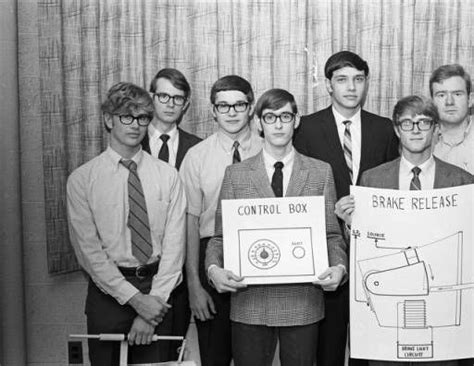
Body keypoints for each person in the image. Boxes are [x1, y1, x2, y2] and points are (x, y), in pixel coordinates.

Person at [205, 88, 348, 366]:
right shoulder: (236, 175)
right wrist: (213, 270)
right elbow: (219, 238)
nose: (279, 124)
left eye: (285, 116)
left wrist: (339, 268)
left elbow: (332, 235)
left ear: (297, 120)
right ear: (258, 122)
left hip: (303, 302)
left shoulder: (321, 171)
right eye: (271, 117)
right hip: (250, 304)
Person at [335, 95, 473, 366]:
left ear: (436, 129)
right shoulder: (372, 179)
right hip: (387, 311)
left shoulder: (462, 182)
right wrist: (348, 223)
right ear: (397, 130)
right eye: (407, 123)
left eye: (424, 122)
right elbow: (362, 246)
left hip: (441, 312)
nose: (416, 130)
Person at [67, 82, 186, 365]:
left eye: (143, 118)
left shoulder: (168, 176)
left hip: (159, 293)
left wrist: (152, 304)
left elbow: (174, 247)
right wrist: (135, 300)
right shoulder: (83, 180)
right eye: (126, 117)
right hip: (108, 294)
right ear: (109, 120)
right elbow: (90, 253)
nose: (135, 125)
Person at [294, 50, 399, 366]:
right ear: (328, 85)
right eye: (342, 80)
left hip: (378, 255)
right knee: (328, 346)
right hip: (328, 257)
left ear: (366, 83)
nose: (351, 87)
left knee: (373, 344)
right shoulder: (307, 128)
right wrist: (331, 213)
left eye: (358, 79)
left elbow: (395, 186)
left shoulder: (385, 129)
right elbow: (299, 192)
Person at [179, 75, 262, 365]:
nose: (231, 112)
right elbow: (189, 222)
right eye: (223, 106)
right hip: (210, 257)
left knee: (255, 355)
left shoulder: (270, 149)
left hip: (259, 256)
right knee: (215, 356)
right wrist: (194, 286)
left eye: (239, 104)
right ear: (213, 110)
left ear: (251, 107)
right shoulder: (196, 157)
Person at [142, 68, 202, 359]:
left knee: (169, 355)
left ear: (186, 104)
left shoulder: (199, 148)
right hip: (139, 269)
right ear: (151, 97)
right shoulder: (129, 141)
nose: (169, 103)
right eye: (163, 95)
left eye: (177, 98)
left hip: (178, 275)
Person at [430, 64, 473, 174]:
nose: (449, 102)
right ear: (432, 102)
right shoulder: (422, 140)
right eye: (441, 95)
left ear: (470, 99)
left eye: (457, 94)